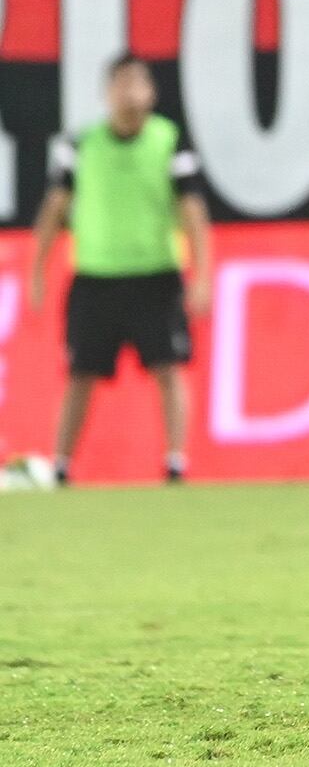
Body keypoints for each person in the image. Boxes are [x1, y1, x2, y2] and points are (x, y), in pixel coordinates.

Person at [28, 53, 213, 486]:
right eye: (121, 84)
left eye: (137, 84)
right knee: (80, 375)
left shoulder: (169, 142)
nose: (129, 93)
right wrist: (38, 269)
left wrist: (202, 273)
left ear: (151, 92)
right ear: (106, 92)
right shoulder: (80, 145)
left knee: (168, 369)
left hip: (156, 275)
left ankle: (175, 464)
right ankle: (60, 467)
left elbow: (193, 211)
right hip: (95, 277)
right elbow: (54, 208)